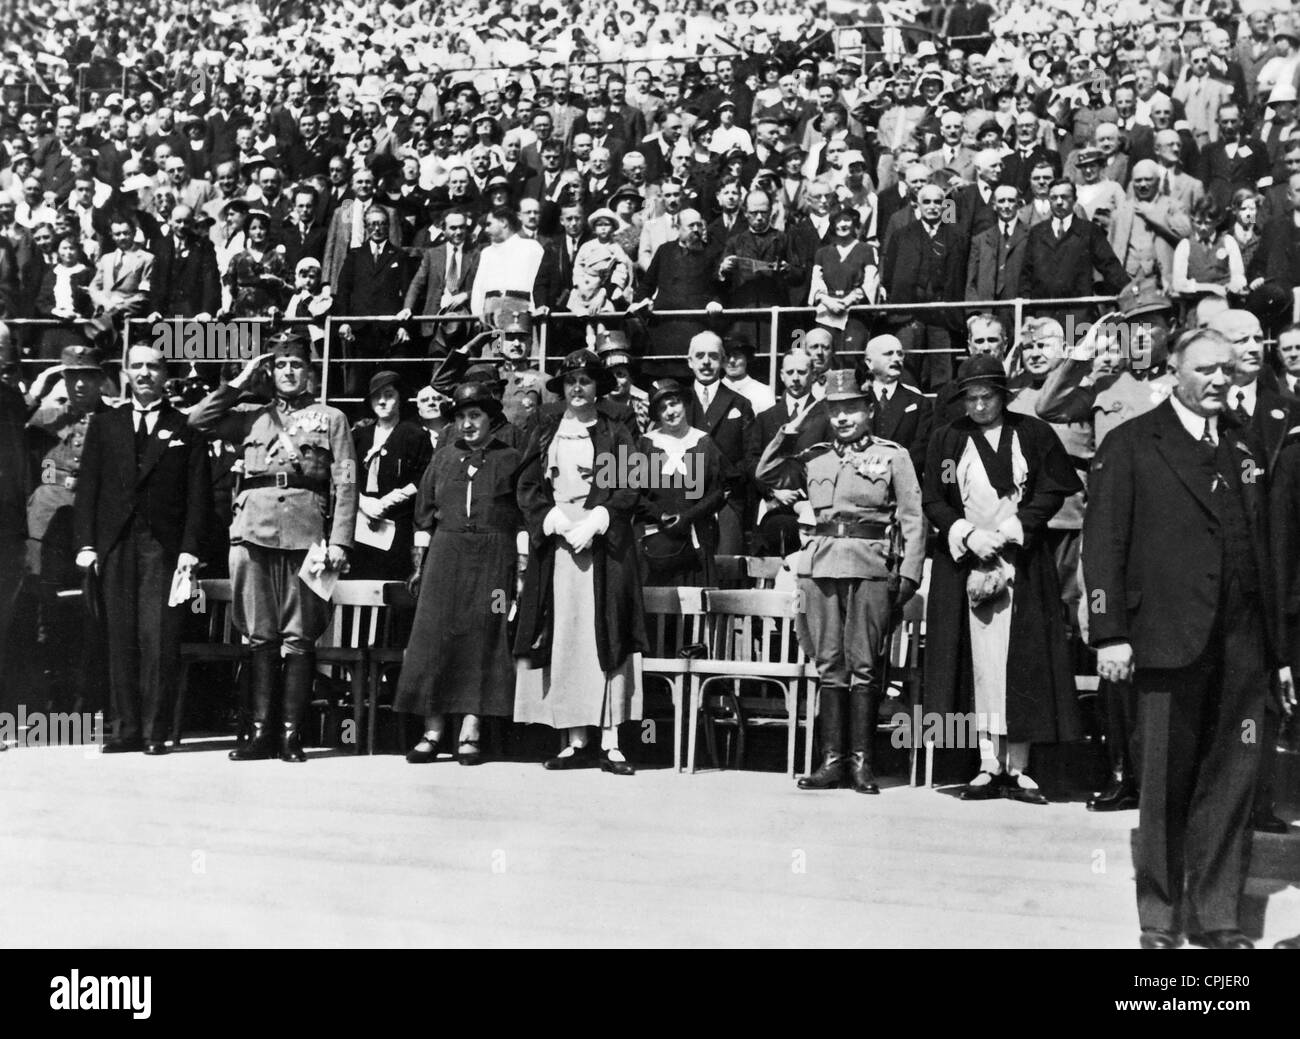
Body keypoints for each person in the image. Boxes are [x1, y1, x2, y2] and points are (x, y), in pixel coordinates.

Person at [1083, 327, 1294, 951]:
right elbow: (1102, 548)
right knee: (1165, 782)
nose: (1217, 381)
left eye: (1227, 371)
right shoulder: (1130, 444)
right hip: (1164, 640)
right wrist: (1109, 631)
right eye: (1204, 370)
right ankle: (1159, 915)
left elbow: (1269, 549)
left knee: (1232, 780)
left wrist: (1278, 652)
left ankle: (1217, 913)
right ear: (1174, 372)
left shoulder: (1244, 445)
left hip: (1243, 644)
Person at [188, 334, 357, 764]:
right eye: (280, 365)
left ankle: (290, 734)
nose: (287, 372)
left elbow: (347, 482)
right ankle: (260, 732)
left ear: (309, 371)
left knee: (300, 635)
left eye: (296, 364)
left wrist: (339, 540)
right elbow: (195, 421)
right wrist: (240, 382)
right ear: (270, 370)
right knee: (259, 633)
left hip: (307, 536)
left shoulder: (331, 418)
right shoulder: (250, 416)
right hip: (252, 532)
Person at [922, 355, 1084, 804]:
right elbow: (935, 498)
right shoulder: (948, 440)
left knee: (1023, 659)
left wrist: (1015, 529)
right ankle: (986, 763)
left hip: (1022, 562)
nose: (979, 406)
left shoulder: (1032, 434)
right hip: (965, 563)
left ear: (1003, 395)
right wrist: (968, 535)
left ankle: (1020, 767)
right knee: (977, 665)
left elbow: (1053, 490)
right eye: (970, 399)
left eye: (987, 397)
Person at [755, 369, 925, 793]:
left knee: (864, 667)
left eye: (851, 408)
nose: (843, 418)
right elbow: (766, 474)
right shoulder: (814, 456)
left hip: (870, 566)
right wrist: (789, 432)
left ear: (869, 409)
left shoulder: (892, 456)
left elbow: (913, 519)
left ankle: (863, 763)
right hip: (821, 566)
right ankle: (832, 760)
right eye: (835, 410)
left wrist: (909, 573)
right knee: (829, 664)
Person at [513, 348, 647, 776]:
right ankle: (574, 739)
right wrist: (548, 517)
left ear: (597, 387)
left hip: (603, 546)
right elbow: (527, 483)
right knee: (566, 634)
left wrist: (599, 519)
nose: (577, 388)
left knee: (605, 633)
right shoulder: (546, 428)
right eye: (570, 381)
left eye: (586, 381)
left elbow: (630, 486)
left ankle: (611, 741)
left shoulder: (614, 429)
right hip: (558, 547)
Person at [72, 344, 211, 754]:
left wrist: (190, 549)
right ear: (126, 374)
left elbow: (197, 496)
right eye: (137, 366)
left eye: (153, 366)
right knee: (119, 636)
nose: (145, 373)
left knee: (159, 639)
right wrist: (85, 544)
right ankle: (125, 729)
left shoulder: (185, 427)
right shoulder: (104, 425)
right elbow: (88, 491)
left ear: (166, 375)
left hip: (162, 547)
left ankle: (155, 732)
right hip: (115, 544)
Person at [395, 380, 525, 766]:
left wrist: (519, 569)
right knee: (434, 639)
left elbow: (522, 517)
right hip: (446, 553)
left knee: (485, 636)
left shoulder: (511, 457)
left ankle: (471, 730)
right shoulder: (443, 457)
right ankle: (433, 732)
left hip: (494, 554)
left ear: (490, 419)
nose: (468, 424)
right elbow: (423, 513)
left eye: (475, 416)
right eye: (462, 417)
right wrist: (419, 564)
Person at [635, 378, 730, 587]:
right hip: (656, 541)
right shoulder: (644, 444)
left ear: (684, 404)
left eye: (674, 403)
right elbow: (633, 493)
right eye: (662, 407)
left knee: (695, 607)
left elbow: (718, 492)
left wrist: (687, 517)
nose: (670, 411)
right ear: (655, 414)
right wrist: (661, 516)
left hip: (696, 540)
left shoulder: (704, 442)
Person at [351, 370, 432, 581]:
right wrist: (361, 501)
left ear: (400, 398)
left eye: (389, 395)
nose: (382, 401)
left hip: (398, 522)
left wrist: (390, 500)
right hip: (361, 519)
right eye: (376, 396)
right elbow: (347, 472)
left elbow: (423, 476)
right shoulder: (359, 436)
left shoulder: (415, 434)